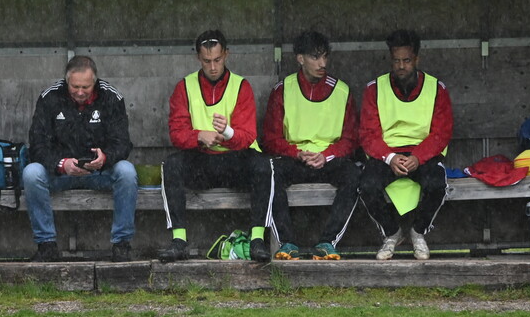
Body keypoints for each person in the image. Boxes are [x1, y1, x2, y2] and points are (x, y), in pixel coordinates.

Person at [160, 30, 273, 263]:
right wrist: (199, 136)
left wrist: (228, 133)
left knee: (264, 165)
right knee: (171, 165)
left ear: (226, 55)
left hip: (235, 161)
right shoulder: (184, 87)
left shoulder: (241, 86)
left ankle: (257, 240)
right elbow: (176, 134)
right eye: (207, 61)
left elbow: (248, 136)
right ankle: (179, 241)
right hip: (202, 161)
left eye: (217, 60)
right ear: (198, 58)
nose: (213, 67)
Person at [24, 55, 137, 262]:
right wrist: (61, 164)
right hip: (60, 174)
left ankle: (122, 245)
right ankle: (46, 245)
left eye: (86, 87)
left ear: (95, 81)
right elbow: (37, 144)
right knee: (31, 173)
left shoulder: (111, 97)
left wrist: (105, 157)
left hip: (99, 172)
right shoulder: (50, 98)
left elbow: (122, 143)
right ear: (67, 81)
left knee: (127, 172)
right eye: (75, 86)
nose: (80, 92)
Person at [262, 30, 360, 261]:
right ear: (300, 58)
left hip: (328, 160)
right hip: (294, 159)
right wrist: (296, 153)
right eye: (315, 57)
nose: (322, 63)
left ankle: (328, 242)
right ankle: (287, 243)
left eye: (325, 57)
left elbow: (351, 139)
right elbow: (270, 138)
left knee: (355, 175)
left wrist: (327, 155)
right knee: (267, 173)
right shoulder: (282, 90)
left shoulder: (342, 91)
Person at [359, 29, 453, 260]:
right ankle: (392, 233)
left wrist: (418, 157)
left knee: (437, 185)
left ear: (417, 59)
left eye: (407, 60)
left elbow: (441, 133)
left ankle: (418, 232)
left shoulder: (436, 88)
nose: (401, 66)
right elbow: (368, 134)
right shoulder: (374, 88)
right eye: (396, 61)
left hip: (423, 154)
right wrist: (390, 157)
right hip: (386, 155)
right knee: (366, 186)